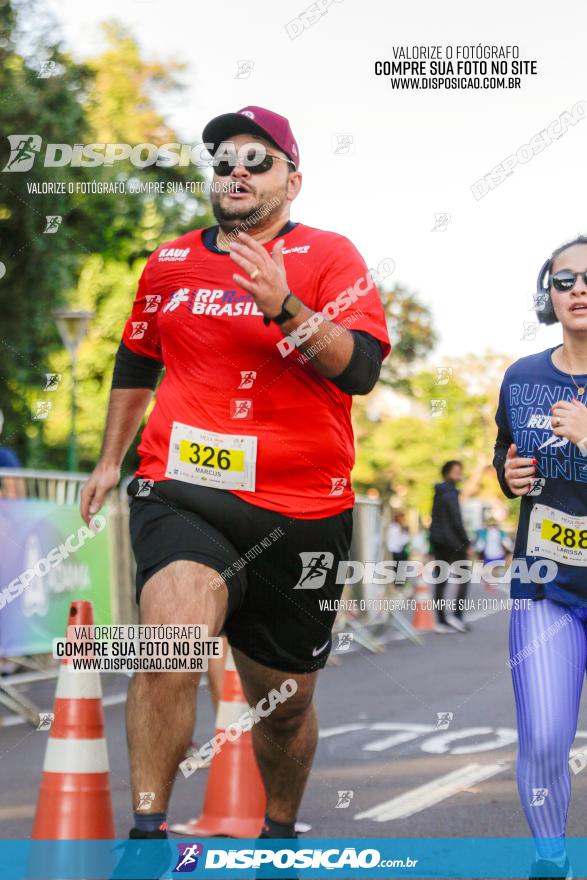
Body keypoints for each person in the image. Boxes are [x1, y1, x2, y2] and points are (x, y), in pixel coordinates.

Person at [80, 104, 391, 864]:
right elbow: (135, 360)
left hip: (301, 511)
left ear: (292, 178)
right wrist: (108, 456)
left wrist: (284, 304)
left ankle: (278, 831)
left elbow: (360, 370)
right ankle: (147, 838)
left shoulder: (330, 255)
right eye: (224, 161)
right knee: (169, 640)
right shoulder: (170, 262)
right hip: (181, 489)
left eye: (258, 160)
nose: (237, 172)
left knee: (282, 709)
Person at [494, 235, 587, 880]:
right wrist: (509, 473)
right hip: (546, 580)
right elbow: (504, 455)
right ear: (546, 297)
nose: (579, 290)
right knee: (546, 737)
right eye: (565, 281)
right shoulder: (523, 376)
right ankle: (550, 859)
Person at [429, 460, 471, 633]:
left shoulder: (438, 492)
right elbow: (456, 520)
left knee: (441, 581)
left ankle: (441, 621)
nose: (458, 474)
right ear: (447, 473)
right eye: (455, 471)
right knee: (463, 579)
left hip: (438, 541)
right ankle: (457, 617)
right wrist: (466, 542)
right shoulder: (450, 493)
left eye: (460, 470)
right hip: (453, 542)